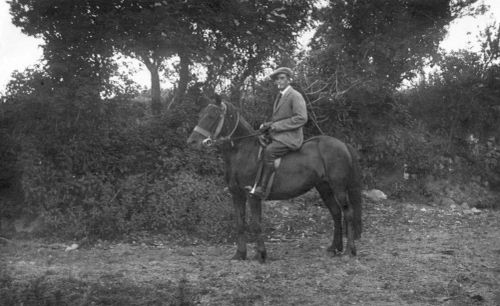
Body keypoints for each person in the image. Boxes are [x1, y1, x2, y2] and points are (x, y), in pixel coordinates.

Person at [249, 67, 308, 199]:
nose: (279, 82)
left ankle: (262, 189)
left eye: (282, 78)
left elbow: (301, 118)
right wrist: (268, 125)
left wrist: (276, 126)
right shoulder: (280, 96)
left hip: (291, 138)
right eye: (277, 79)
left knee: (270, 151)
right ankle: (253, 183)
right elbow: (281, 118)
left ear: (289, 79)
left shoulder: (295, 95)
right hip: (280, 134)